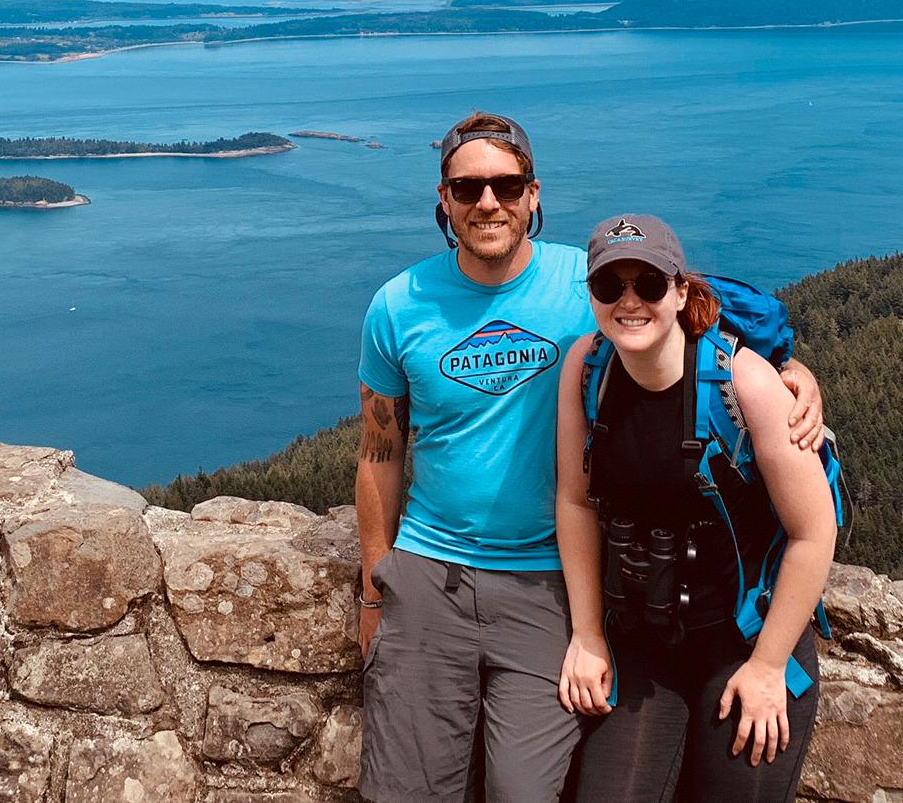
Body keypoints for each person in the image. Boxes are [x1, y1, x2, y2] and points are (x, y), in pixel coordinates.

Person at [356, 114, 825, 803]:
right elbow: (380, 451)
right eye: (469, 188)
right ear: (445, 200)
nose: (489, 202)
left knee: (527, 791)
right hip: (432, 576)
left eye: (507, 185)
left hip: (546, 583)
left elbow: (694, 333)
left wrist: (792, 373)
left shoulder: (593, 282)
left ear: (534, 194)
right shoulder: (398, 306)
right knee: (405, 791)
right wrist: (374, 586)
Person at [554, 214, 837, 803]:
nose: (630, 302)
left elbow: (814, 532)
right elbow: (575, 501)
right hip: (642, 644)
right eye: (610, 287)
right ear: (593, 297)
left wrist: (766, 667)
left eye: (649, 285)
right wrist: (586, 635)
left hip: (743, 640)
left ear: (681, 292)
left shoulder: (743, 383)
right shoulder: (587, 369)